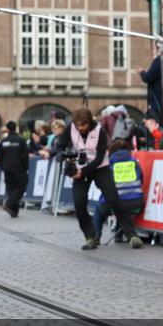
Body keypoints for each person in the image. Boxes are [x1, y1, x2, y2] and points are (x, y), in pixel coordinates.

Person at [54, 107, 121, 250]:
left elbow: (99, 157)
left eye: (83, 125)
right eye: (77, 125)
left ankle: (130, 232)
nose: (80, 128)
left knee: (113, 197)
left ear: (89, 122)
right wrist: (60, 154)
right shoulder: (71, 128)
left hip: (99, 167)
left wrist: (83, 171)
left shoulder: (99, 131)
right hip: (80, 169)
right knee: (79, 203)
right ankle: (90, 236)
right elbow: (60, 146)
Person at [92, 140, 144, 248]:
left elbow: (102, 185)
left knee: (100, 207)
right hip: (137, 203)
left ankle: (95, 237)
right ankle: (125, 236)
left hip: (118, 203)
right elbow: (141, 180)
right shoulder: (134, 163)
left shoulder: (108, 164)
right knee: (121, 204)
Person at [139, 44, 163, 125]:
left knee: (157, 125)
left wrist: (142, 72)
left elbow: (148, 77)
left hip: (158, 101)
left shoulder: (159, 61)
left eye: (154, 49)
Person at [0, 121, 28, 218]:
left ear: (7, 129)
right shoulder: (21, 140)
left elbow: (0, 156)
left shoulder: (3, 141)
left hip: (7, 168)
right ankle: (9, 204)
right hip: (19, 168)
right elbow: (25, 156)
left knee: (11, 189)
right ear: (16, 128)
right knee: (21, 187)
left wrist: (2, 167)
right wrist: (25, 167)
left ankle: (14, 211)